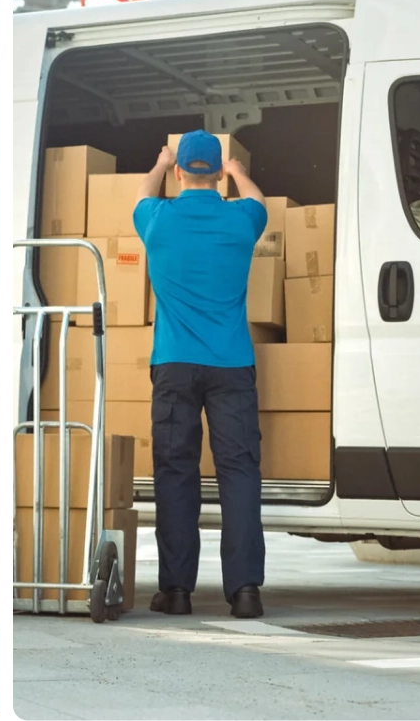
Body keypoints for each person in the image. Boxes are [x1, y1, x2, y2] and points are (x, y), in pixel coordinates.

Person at [133, 130, 268, 620]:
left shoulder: (156, 219)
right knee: (239, 474)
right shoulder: (242, 219)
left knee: (175, 473)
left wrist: (158, 161)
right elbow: (258, 200)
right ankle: (246, 590)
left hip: (174, 364)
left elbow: (142, 193)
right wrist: (239, 174)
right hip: (232, 364)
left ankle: (176, 591)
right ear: (215, 172)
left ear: (179, 171)